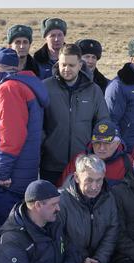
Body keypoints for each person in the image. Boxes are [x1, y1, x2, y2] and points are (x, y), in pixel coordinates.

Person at [0, 48, 50, 221]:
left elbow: (12, 135)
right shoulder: (23, 85)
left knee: (8, 227)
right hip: (20, 172)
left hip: (6, 180)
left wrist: (3, 171)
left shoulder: (9, 89)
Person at [42, 43, 109, 185]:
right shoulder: (45, 88)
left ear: (80, 65)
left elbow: (102, 122)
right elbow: (38, 124)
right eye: (63, 64)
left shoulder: (93, 90)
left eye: (71, 65)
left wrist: (93, 152)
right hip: (51, 164)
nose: (66, 69)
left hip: (83, 164)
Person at [58, 155, 121, 263]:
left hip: (95, 261)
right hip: (69, 261)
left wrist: (99, 261)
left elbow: (111, 233)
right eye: (89, 180)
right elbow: (58, 237)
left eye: (99, 180)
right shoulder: (61, 200)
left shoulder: (109, 198)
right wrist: (80, 261)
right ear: (77, 177)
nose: (94, 186)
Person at [61, 121, 134, 184]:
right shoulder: (79, 160)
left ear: (117, 143)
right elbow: (64, 189)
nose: (101, 148)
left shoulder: (128, 162)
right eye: (97, 143)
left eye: (107, 143)